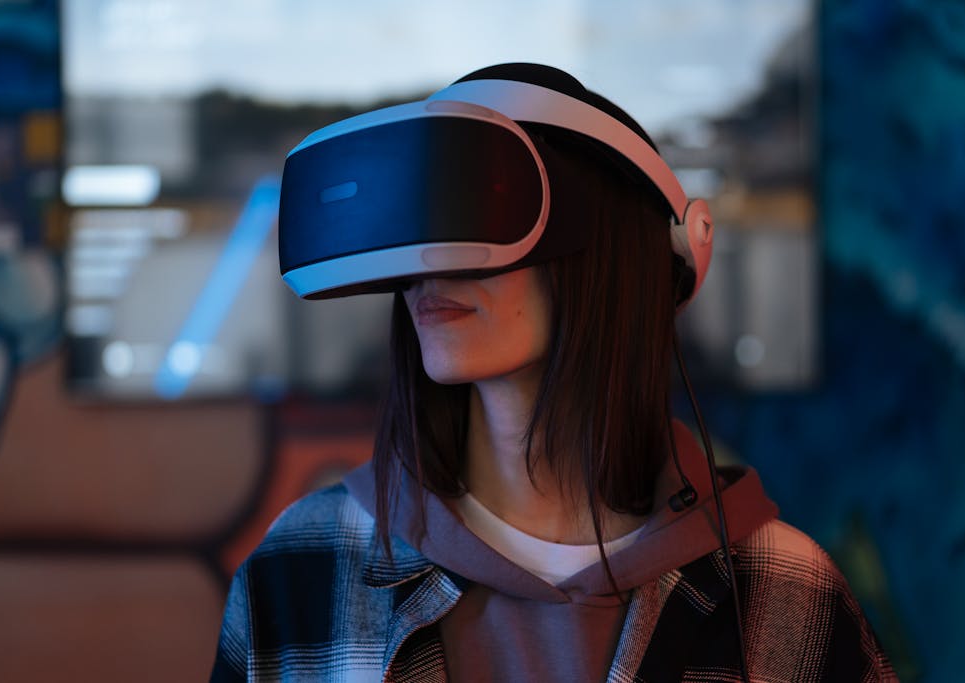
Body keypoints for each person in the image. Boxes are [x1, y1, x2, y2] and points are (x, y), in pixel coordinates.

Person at [210, 63, 895, 682]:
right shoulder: (305, 567)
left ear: (613, 248)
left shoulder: (782, 589)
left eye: (469, 205)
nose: (427, 265)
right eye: (416, 224)